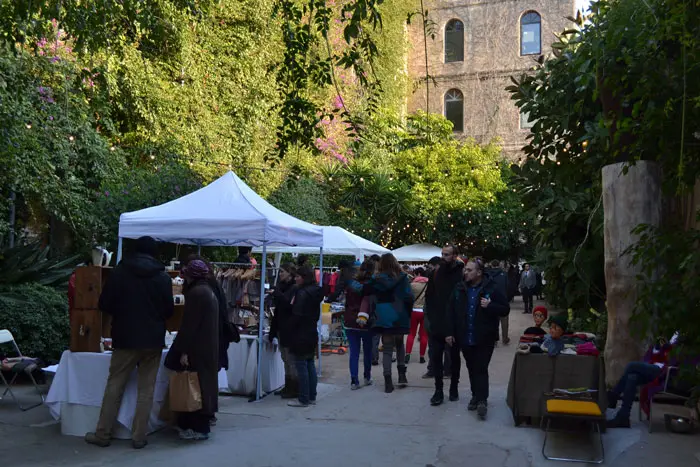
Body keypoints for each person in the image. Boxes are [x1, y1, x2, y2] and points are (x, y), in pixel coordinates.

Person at [85, 236, 174, 449]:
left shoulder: (119, 273)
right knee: (146, 389)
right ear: (154, 253)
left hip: (124, 337)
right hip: (152, 340)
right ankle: (139, 436)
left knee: (115, 385)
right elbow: (169, 310)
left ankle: (103, 433)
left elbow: (104, 304)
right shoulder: (162, 277)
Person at [445, 257, 510, 420]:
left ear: (479, 273)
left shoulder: (492, 288)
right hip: (465, 336)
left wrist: (490, 306)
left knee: (481, 367)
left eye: (469, 270)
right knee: (472, 367)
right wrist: (449, 332)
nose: (465, 272)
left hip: (485, 337)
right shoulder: (459, 288)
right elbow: (451, 311)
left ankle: (482, 400)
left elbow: (505, 309)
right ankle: (476, 395)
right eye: (465, 270)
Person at [164, 260, 219, 440]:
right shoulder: (207, 291)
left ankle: (195, 427)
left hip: (197, 347)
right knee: (202, 385)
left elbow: (190, 326)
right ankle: (194, 425)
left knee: (195, 386)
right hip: (206, 346)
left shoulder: (196, 293)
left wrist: (183, 350)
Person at [351, 253, 413, 393]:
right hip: (399, 314)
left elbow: (367, 294)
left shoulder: (376, 279)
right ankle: (402, 375)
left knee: (387, 348)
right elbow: (409, 297)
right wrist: (406, 313)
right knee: (399, 344)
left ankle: (388, 381)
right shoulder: (403, 278)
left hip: (383, 315)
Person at [606, 333, 680, 428]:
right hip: (655, 366)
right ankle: (623, 417)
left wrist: (667, 347)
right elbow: (655, 353)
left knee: (631, 366)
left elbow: (677, 356)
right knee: (632, 377)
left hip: (664, 371)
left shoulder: (685, 335)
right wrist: (659, 347)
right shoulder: (672, 333)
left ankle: (614, 395)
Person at [425, 246, 464, 405]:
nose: (443, 257)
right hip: (438, 322)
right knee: (436, 357)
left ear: (455, 256)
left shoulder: (461, 273)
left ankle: (454, 387)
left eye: (446, 254)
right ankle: (438, 390)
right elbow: (430, 296)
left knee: (454, 358)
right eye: (442, 254)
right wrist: (432, 319)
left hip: (454, 323)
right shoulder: (436, 273)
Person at [286, 266, 324, 407]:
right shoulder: (316, 291)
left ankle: (303, 398)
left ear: (304, 277)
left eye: (298, 276)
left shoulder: (302, 293)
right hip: (311, 330)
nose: (295, 279)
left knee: (302, 366)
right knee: (309, 365)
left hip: (301, 332)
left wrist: (289, 327)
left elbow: (297, 314)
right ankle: (311, 396)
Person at [339, 260, 374, 390]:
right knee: (367, 351)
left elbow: (344, 301)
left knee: (354, 352)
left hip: (349, 320)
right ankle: (367, 376)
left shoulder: (350, 285)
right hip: (366, 322)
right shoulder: (370, 286)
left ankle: (354, 380)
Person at [268, 263, 298, 399]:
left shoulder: (293, 289)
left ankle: (293, 387)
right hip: (281, 326)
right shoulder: (282, 287)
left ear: (290, 274)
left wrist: (277, 294)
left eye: (282, 272)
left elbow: (287, 304)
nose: (280, 274)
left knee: (290, 358)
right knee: (285, 358)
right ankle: (288, 386)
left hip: (289, 328)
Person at [406, 267, 429, 364]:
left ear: (418, 274)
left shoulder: (412, 285)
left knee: (411, 333)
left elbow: (408, 297)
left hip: (414, 311)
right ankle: (422, 356)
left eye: (414, 274)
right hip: (424, 311)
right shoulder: (430, 284)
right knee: (424, 335)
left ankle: (407, 354)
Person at [486, 259, 510, 345]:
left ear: (491, 265)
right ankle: (505, 338)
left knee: (493, 320)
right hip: (503, 299)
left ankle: (494, 340)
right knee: (504, 320)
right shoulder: (504, 274)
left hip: (492, 300)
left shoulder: (488, 274)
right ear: (499, 265)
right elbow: (508, 286)